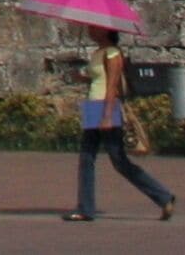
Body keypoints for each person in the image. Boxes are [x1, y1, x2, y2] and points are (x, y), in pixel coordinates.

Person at [67, 27, 178, 224]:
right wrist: (81, 78)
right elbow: (98, 80)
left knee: (119, 160)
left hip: (105, 106)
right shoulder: (98, 52)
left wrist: (108, 115)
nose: (90, 31)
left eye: (94, 28)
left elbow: (112, 85)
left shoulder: (113, 53)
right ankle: (85, 208)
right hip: (93, 106)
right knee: (86, 157)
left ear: (105, 31)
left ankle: (163, 196)